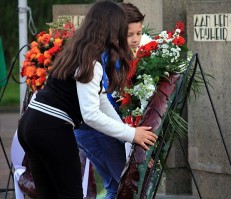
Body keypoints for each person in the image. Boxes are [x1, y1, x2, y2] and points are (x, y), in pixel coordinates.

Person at [17, 1, 157, 199]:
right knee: (70, 194)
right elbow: (90, 114)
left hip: (31, 124)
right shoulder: (91, 62)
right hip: (51, 128)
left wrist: (129, 137)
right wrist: (132, 134)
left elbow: (101, 102)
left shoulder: (79, 52)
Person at [74, 3, 147, 199]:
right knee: (123, 187)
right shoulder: (98, 58)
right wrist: (129, 133)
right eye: (128, 34)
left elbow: (103, 100)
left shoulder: (102, 53)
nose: (135, 40)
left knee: (116, 186)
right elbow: (97, 106)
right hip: (94, 130)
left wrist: (128, 133)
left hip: (99, 128)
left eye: (139, 33)